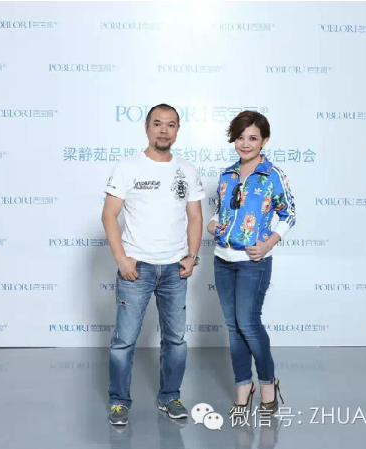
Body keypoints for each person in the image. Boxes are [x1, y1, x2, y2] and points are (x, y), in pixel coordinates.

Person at [102, 104, 205, 425]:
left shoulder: (187, 169)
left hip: (175, 269)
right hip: (137, 268)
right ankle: (119, 402)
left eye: (170, 124)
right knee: (124, 341)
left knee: (175, 340)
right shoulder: (127, 167)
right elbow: (109, 215)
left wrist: (192, 256)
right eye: (157, 123)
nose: (164, 130)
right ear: (146, 127)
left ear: (177, 130)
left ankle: (170, 397)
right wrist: (121, 259)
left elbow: (195, 216)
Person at [207, 110, 296, 417]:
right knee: (233, 328)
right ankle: (243, 386)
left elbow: (289, 214)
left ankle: (268, 383)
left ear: (264, 141)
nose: (245, 144)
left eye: (253, 138)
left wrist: (268, 243)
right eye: (240, 137)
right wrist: (212, 225)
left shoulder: (272, 175)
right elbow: (220, 212)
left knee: (248, 323)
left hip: (252, 262)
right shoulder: (227, 175)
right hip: (222, 259)